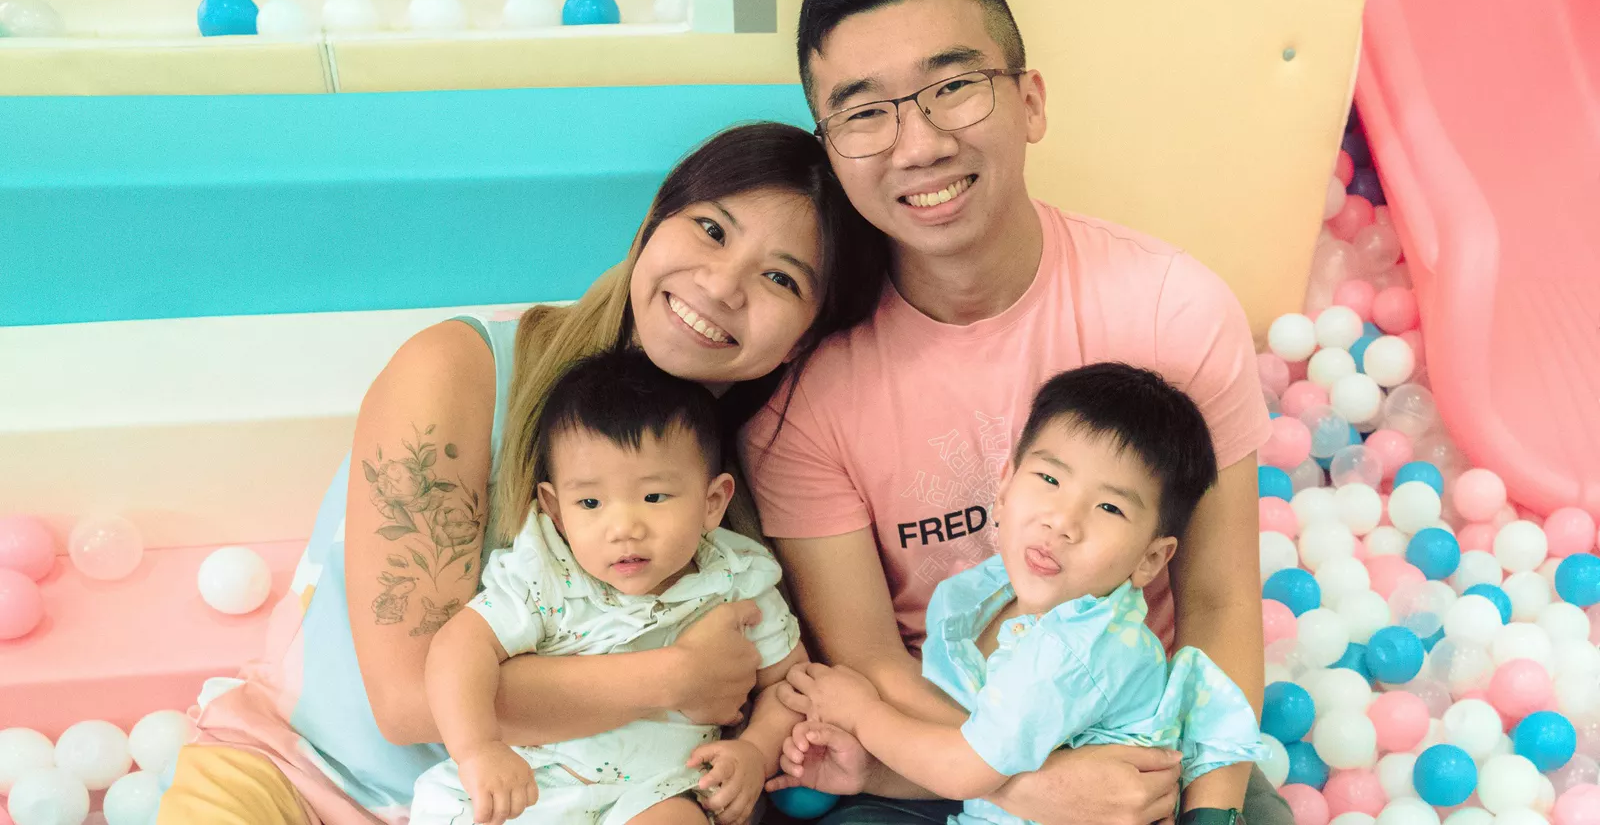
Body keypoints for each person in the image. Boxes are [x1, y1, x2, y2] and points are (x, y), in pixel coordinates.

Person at [155, 122, 887, 825]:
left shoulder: (751, 483)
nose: (723, 285)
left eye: (781, 279)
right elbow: (410, 701)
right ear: (651, 224)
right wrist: (675, 679)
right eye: (711, 229)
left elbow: (781, 688)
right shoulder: (458, 370)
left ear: (804, 339)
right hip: (301, 778)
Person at [742, 0, 1288, 825]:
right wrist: (1028, 786)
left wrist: (1208, 806)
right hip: (925, 746)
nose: (917, 144)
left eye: (953, 87)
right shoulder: (805, 397)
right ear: (832, 148)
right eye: (865, 113)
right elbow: (874, 665)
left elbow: (1219, 599)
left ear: (1029, 100)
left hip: (1135, 737)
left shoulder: (1171, 311)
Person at [767, 364, 1267, 825]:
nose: (1063, 521)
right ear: (1004, 488)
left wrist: (863, 715)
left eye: (1110, 508)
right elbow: (991, 765)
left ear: (1150, 560)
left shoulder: (1070, 650)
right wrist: (871, 776)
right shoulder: (989, 592)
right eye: (1049, 478)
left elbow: (968, 769)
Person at [412, 349, 807, 825]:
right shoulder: (544, 575)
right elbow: (458, 647)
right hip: (530, 783)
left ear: (713, 502)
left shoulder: (737, 579)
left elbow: (788, 681)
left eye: (654, 496)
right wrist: (477, 748)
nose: (623, 528)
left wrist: (754, 752)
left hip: (654, 794)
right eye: (592, 501)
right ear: (557, 510)